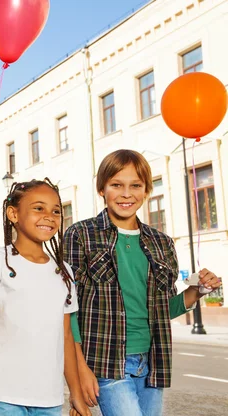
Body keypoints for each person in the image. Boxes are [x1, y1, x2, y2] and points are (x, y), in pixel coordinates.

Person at [64, 149, 222, 416]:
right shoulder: (80, 234)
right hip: (105, 363)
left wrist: (198, 290)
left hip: (150, 363)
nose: (127, 194)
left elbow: (163, 309)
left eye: (135, 185)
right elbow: (68, 308)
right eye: (117, 185)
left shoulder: (161, 242)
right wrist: (80, 370)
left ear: (146, 189)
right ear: (102, 189)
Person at [0, 179, 90, 416]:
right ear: (13, 214)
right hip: (4, 395)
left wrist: (75, 393)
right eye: (38, 208)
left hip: (49, 399)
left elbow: (66, 336)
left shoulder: (64, 272)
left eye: (56, 211)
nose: (49, 216)